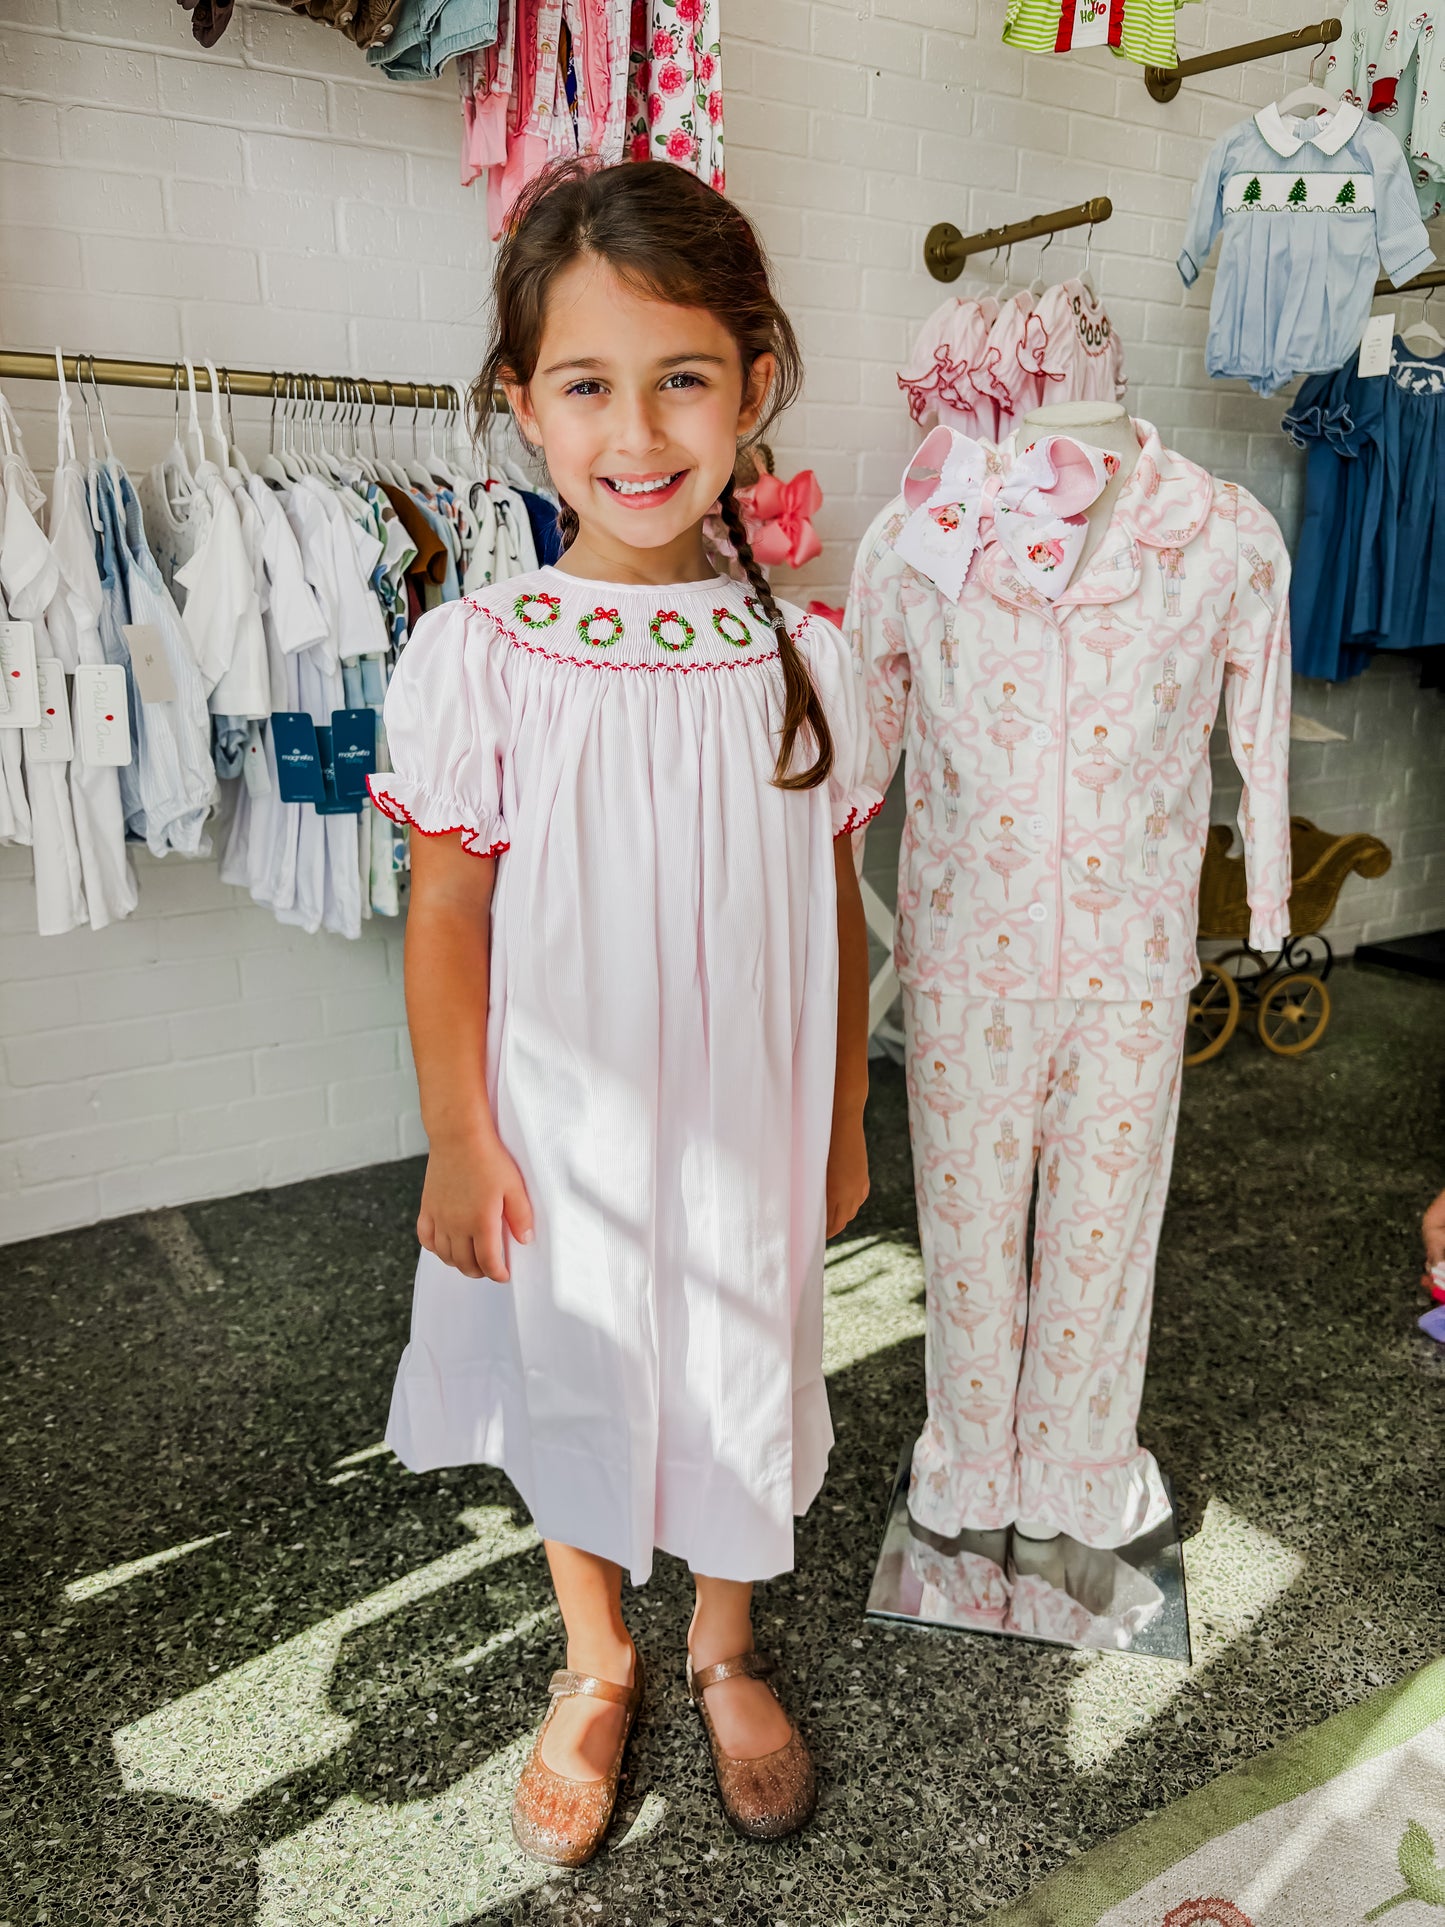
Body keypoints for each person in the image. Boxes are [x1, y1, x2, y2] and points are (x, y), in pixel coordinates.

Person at [366, 158, 880, 1866]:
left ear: (754, 385)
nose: (638, 431)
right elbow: (449, 904)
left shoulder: (808, 654)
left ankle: (724, 1644)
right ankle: (595, 1657)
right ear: (523, 405)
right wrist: (459, 1132)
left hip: (746, 1116)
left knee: (737, 1362)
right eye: (586, 384)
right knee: (567, 1366)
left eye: (683, 379)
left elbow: (828, 904)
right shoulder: (483, 648)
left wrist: (839, 1116)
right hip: (560, 1122)